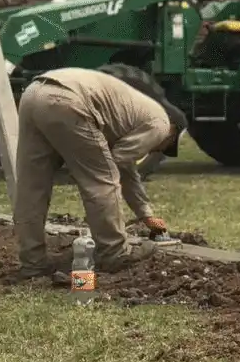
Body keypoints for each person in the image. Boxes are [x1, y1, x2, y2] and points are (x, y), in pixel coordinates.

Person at [12, 67, 187, 280]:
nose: (155, 150)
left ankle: (32, 263)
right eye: (163, 147)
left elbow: (125, 165)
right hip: (68, 100)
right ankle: (114, 253)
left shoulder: (134, 113)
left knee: (31, 186)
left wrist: (145, 215)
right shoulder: (160, 124)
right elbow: (116, 164)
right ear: (172, 132)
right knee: (102, 180)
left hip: (33, 93)